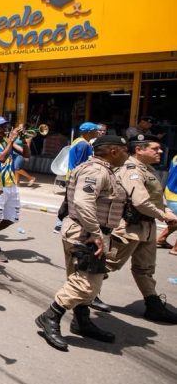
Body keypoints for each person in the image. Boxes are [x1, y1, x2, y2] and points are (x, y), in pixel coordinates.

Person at [35, 135, 129, 350]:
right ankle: (50, 316)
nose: (127, 154)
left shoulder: (104, 170)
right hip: (85, 234)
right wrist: (96, 234)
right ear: (113, 151)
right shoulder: (95, 171)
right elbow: (82, 202)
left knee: (79, 279)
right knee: (86, 283)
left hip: (87, 232)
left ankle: (82, 320)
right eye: (124, 150)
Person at [105, 134, 177, 323]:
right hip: (129, 227)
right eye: (155, 148)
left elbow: (153, 197)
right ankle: (82, 297)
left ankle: (153, 306)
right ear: (139, 149)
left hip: (147, 226)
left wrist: (165, 209)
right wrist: (163, 215)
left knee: (145, 269)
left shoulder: (147, 169)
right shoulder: (131, 169)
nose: (160, 151)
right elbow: (140, 201)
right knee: (108, 264)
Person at [0, 118, 29, 262]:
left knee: (12, 218)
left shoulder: (9, 143)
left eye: (5, 126)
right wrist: (11, 141)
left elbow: (27, 155)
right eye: (0, 126)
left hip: (10, 185)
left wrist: (23, 140)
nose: (4, 128)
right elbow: (1, 158)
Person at [53, 122, 99, 233]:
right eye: (96, 130)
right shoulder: (83, 145)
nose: (97, 132)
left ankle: (61, 223)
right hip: (77, 177)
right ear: (89, 132)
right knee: (71, 201)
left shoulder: (78, 141)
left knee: (69, 200)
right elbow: (80, 164)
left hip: (73, 176)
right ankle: (60, 224)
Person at [156, 153, 177, 252]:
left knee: (175, 220)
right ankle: (176, 249)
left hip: (170, 192)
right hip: (176, 194)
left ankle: (161, 238)